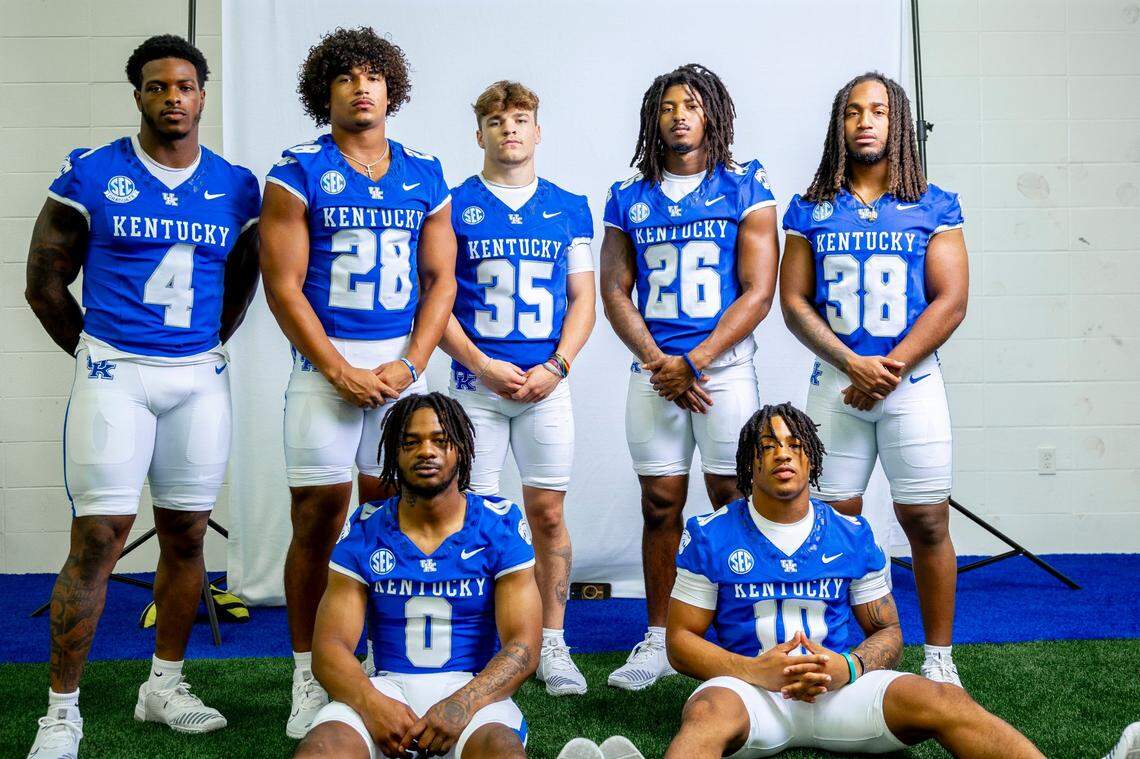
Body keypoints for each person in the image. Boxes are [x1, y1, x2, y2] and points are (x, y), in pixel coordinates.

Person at [23, 35, 261, 758]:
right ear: (138, 96)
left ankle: (164, 682)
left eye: (184, 85)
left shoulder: (236, 185)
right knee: (98, 539)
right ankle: (61, 709)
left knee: (188, 535)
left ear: (202, 95)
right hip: (115, 373)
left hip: (196, 376)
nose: (172, 98)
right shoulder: (94, 173)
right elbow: (44, 282)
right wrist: (99, 354)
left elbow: (241, 282)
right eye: (156, 86)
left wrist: (198, 349)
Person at [258, 27, 457, 737]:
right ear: (326, 92)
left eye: (373, 76)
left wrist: (408, 365)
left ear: (391, 88)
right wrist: (336, 366)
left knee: (388, 517)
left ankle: (375, 659)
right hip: (325, 364)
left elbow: (441, 282)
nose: (361, 87)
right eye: (346, 78)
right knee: (315, 518)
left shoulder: (424, 170)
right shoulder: (299, 169)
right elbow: (282, 284)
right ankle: (308, 669)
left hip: (399, 364)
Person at [661, 403, 1046, 758]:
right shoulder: (711, 533)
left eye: (795, 444)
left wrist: (849, 666)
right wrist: (752, 670)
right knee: (707, 712)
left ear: (811, 459)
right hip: (751, 693)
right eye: (767, 446)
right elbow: (679, 642)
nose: (782, 454)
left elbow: (888, 630)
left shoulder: (852, 533)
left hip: (839, 693)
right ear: (750, 463)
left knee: (945, 698)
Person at [779, 71, 968, 684]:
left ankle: (939, 660)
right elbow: (794, 302)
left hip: (912, 386)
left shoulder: (934, 203)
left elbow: (951, 300)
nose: (866, 121)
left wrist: (887, 369)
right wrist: (851, 364)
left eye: (879, 111)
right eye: (854, 112)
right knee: (831, 523)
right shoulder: (811, 207)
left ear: (899, 124)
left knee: (927, 519)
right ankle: (849, 652)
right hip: (835, 386)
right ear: (840, 125)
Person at [599, 63, 779, 690]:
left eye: (692, 106)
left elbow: (758, 291)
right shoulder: (628, 194)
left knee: (734, 499)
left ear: (713, 116)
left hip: (723, 372)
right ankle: (656, 637)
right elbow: (616, 292)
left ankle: (734, 635)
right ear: (655, 117)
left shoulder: (745, 186)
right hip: (653, 373)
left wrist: (694, 363)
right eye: (669, 106)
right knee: (660, 504)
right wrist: (661, 363)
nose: (679, 115)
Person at [442, 80, 595, 696]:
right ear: (478, 133)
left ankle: (552, 643)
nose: (510, 130)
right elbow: (438, 300)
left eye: (521, 119)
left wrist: (557, 366)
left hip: (544, 386)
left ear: (538, 131)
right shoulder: (453, 203)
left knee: (548, 513)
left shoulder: (568, 204)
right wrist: (480, 363)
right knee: (470, 515)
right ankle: (480, 641)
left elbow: (583, 298)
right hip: (474, 386)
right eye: (497, 120)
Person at [294, 393, 540, 759]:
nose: (426, 451)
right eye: (411, 442)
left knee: (501, 751)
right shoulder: (366, 527)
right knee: (320, 750)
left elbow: (523, 646)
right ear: (394, 453)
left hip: (473, 693)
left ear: (462, 449)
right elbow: (329, 648)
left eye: (440, 440)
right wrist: (373, 704)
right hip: (388, 688)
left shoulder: (499, 524)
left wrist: (462, 705)